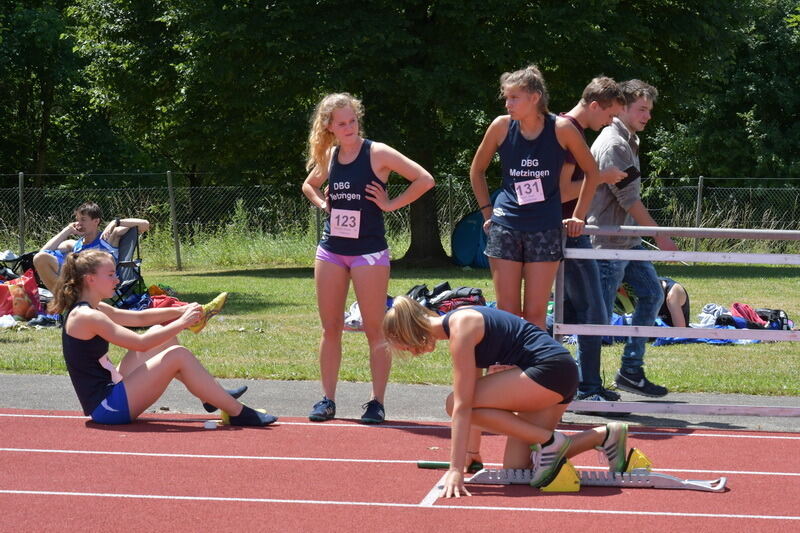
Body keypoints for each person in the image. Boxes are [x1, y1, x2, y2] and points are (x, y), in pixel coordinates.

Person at [383, 296, 630, 498]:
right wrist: (470, 452)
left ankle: (549, 441)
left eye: (403, 346)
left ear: (410, 334)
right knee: (516, 469)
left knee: (453, 403)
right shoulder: (459, 322)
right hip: (558, 374)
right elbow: (474, 392)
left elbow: (462, 405)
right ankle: (605, 435)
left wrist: (455, 469)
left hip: (549, 371)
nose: (409, 353)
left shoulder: (461, 327)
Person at [301, 93, 435, 424]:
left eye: (353, 121)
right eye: (341, 123)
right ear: (329, 126)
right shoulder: (329, 155)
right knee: (330, 328)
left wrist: (391, 204)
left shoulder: (377, 152)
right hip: (331, 250)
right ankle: (327, 400)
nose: (348, 128)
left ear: (358, 120)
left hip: (369, 253)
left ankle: (376, 402)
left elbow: (425, 179)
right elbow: (308, 185)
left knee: (376, 329)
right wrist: (323, 204)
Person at [470, 65, 626, 331]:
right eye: (506, 97)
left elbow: (591, 172)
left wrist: (578, 215)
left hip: (545, 228)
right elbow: (477, 170)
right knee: (506, 310)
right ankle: (505, 367)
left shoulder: (562, 128)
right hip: (506, 225)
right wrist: (487, 213)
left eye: (514, 97)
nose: (507, 103)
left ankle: (533, 370)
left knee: (535, 312)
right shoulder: (501, 127)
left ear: (535, 98)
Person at [48, 249, 276, 426]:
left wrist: (181, 310)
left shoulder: (93, 308)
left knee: (161, 334)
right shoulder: (87, 316)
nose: (116, 280)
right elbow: (139, 343)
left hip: (113, 388)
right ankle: (237, 412)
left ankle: (212, 396)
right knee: (178, 356)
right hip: (108, 407)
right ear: (90, 279)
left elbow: (138, 319)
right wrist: (182, 323)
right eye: (110, 275)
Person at [588, 79, 678, 398]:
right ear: (622, 107)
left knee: (653, 295)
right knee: (592, 320)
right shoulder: (614, 143)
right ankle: (582, 384)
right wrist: (662, 236)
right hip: (606, 244)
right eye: (642, 109)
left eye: (650, 110)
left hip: (626, 241)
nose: (648, 116)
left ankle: (630, 370)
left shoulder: (629, 140)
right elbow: (629, 200)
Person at [558, 77, 627, 408]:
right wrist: (601, 176)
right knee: (594, 311)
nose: (609, 123)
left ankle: (568, 381)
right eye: (608, 115)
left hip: (567, 232)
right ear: (595, 105)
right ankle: (586, 385)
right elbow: (561, 192)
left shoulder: (566, 128)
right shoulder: (569, 131)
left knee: (568, 312)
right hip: (568, 234)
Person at [34, 202, 150, 291]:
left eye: (83, 220)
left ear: (96, 221)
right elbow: (43, 253)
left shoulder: (107, 238)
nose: (79, 224)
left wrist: (116, 222)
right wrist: (67, 230)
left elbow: (144, 224)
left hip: (100, 283)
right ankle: (65, 300)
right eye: (77, 220)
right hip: (78, 283)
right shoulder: (74, 244)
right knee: (40, 258)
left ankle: (66, 302)